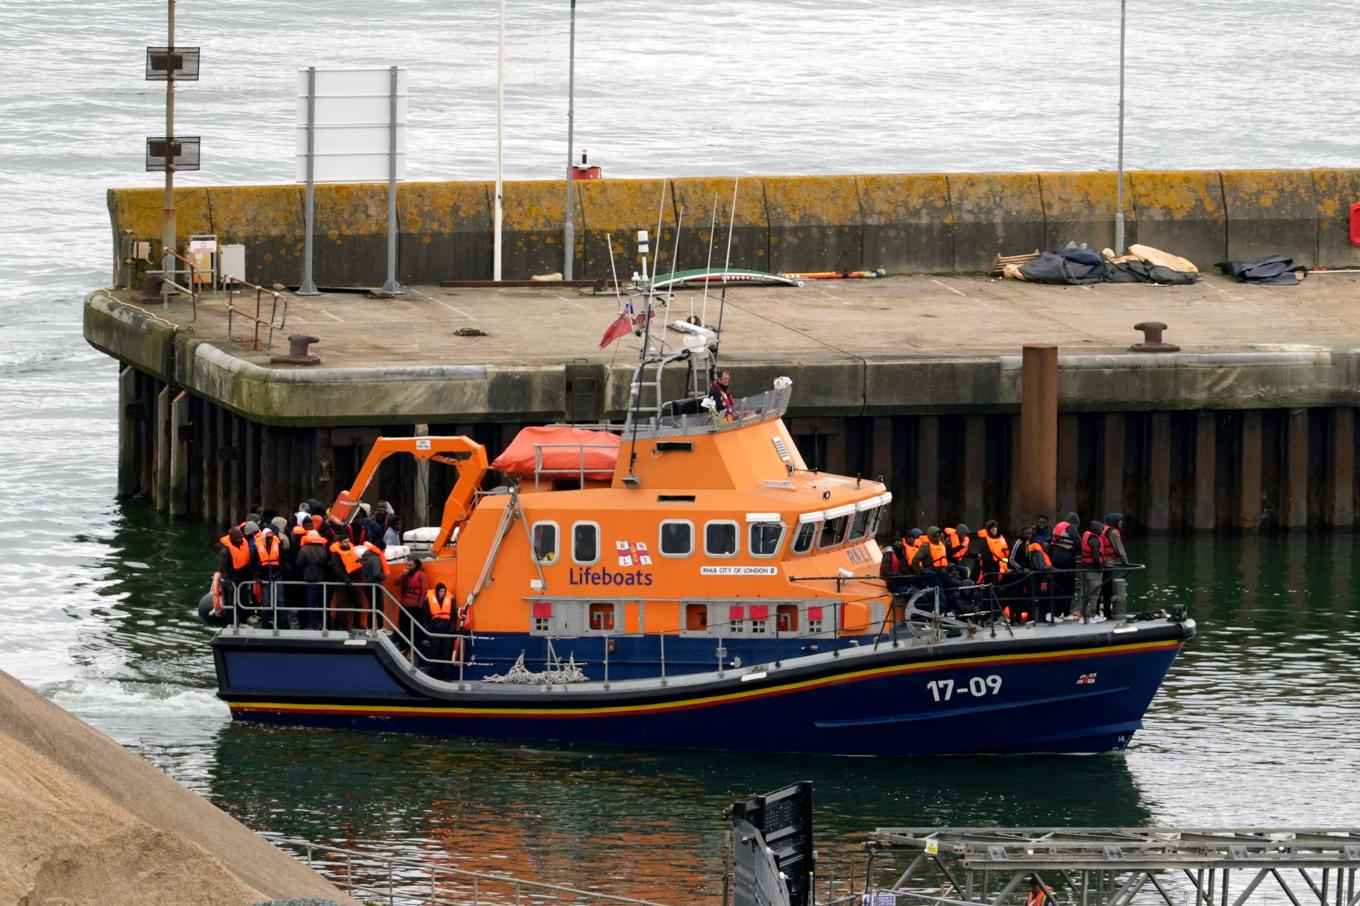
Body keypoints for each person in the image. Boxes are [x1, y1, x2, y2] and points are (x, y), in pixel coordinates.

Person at [206, 526, 252, 625]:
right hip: (230, 581)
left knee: (243, 602)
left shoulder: (243, 546)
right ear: (232, 539)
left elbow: (246, 564)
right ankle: (231, 624)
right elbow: (222, 569)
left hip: (242, 580)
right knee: (230, 604)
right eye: (237, 539)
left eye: (241, 539)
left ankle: (243, 622)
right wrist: (228, 583)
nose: (240, 541)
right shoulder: (225, 552)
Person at [1048, 512, 1081, 619]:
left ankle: (1057, 612)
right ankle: (1066, 613)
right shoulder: (1071, 528)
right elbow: (1079, 542)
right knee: (1069, 587)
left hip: (1055, 560)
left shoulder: (1057, 526)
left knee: (1058, 587)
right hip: (1067, 560)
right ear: (1075, 522)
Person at [296, 529, 331, 629]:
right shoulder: (323, 549)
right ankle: (323, 623)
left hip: (309, 578)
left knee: (311, 603)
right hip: (322, 578)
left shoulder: (304, 549)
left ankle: (314, 624)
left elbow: (299, 563)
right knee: (322, 603)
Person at [1099, 513, 1132, 618]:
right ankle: (1107, 613)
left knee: (1100, 588)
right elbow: (1120, 550)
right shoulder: (1113, 532)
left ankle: (1097, 611)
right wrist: (1125, 563)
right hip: (1108, 564)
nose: (1121, 523)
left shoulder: (1103, 529)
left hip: (1099, 563)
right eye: (1120, 521)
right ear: (1115, 522)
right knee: (1107, 589)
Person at [253, 525, 285, 628]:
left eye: (271, 538)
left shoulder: (278, 546)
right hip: (265, 579)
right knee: (266, 603)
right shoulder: (258, 549)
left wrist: (277, 574)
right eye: (268, 538)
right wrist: (257, 577)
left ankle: (283, 624)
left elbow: (283, 562)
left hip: (277, 576)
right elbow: (252, 564)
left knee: (280, 601)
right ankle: (265, 624)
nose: (270, 540)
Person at [424, 581, 456, 679]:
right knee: (435, 653)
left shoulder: (450, 600)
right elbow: (425, 616)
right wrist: (428, 629)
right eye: (441, 591)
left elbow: (454, 616)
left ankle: (446, 676)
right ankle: (434, 676)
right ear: (437, 591)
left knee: (447, 654)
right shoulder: (428, 600)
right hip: (435, 631)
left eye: (444, 591)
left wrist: (452, 629)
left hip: (446, 631)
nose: (442, 593)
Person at [398, 560, 429, 654]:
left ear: (415, 566)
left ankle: (412, 650)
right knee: (403, 627)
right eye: (407, 565)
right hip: (404, 605)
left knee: (414, 629)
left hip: (415, 606)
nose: (408, 567)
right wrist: (403, 574)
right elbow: (396, 582)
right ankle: (404, 647)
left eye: (410, 565)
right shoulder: (405, 574)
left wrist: (419, 606)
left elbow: (424, 591)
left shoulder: (421, 575)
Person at [1079, 519, 1108, 619]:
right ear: (1097, 529)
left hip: (1085, 569)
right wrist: (1100, 567)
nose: (1102, 531)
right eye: (1101, 529)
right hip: (1093, 570)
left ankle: (1082, 615)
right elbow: (1096, 557)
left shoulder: (1087, 536)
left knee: (1084, 593)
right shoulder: (1095, 540)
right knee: (1095, 594)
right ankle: (1093, 615)